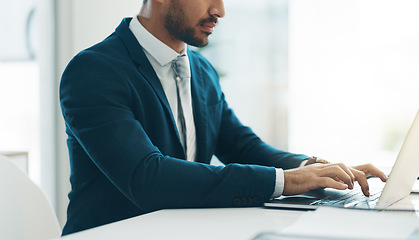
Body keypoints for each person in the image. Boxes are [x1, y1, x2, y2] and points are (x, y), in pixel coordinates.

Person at [59, 0, 388, 235]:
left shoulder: (201, 69)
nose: (220, 10)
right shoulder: (93, 71)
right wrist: (288, 182)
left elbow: (241, 146)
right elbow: (148, 178)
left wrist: (313, 168)